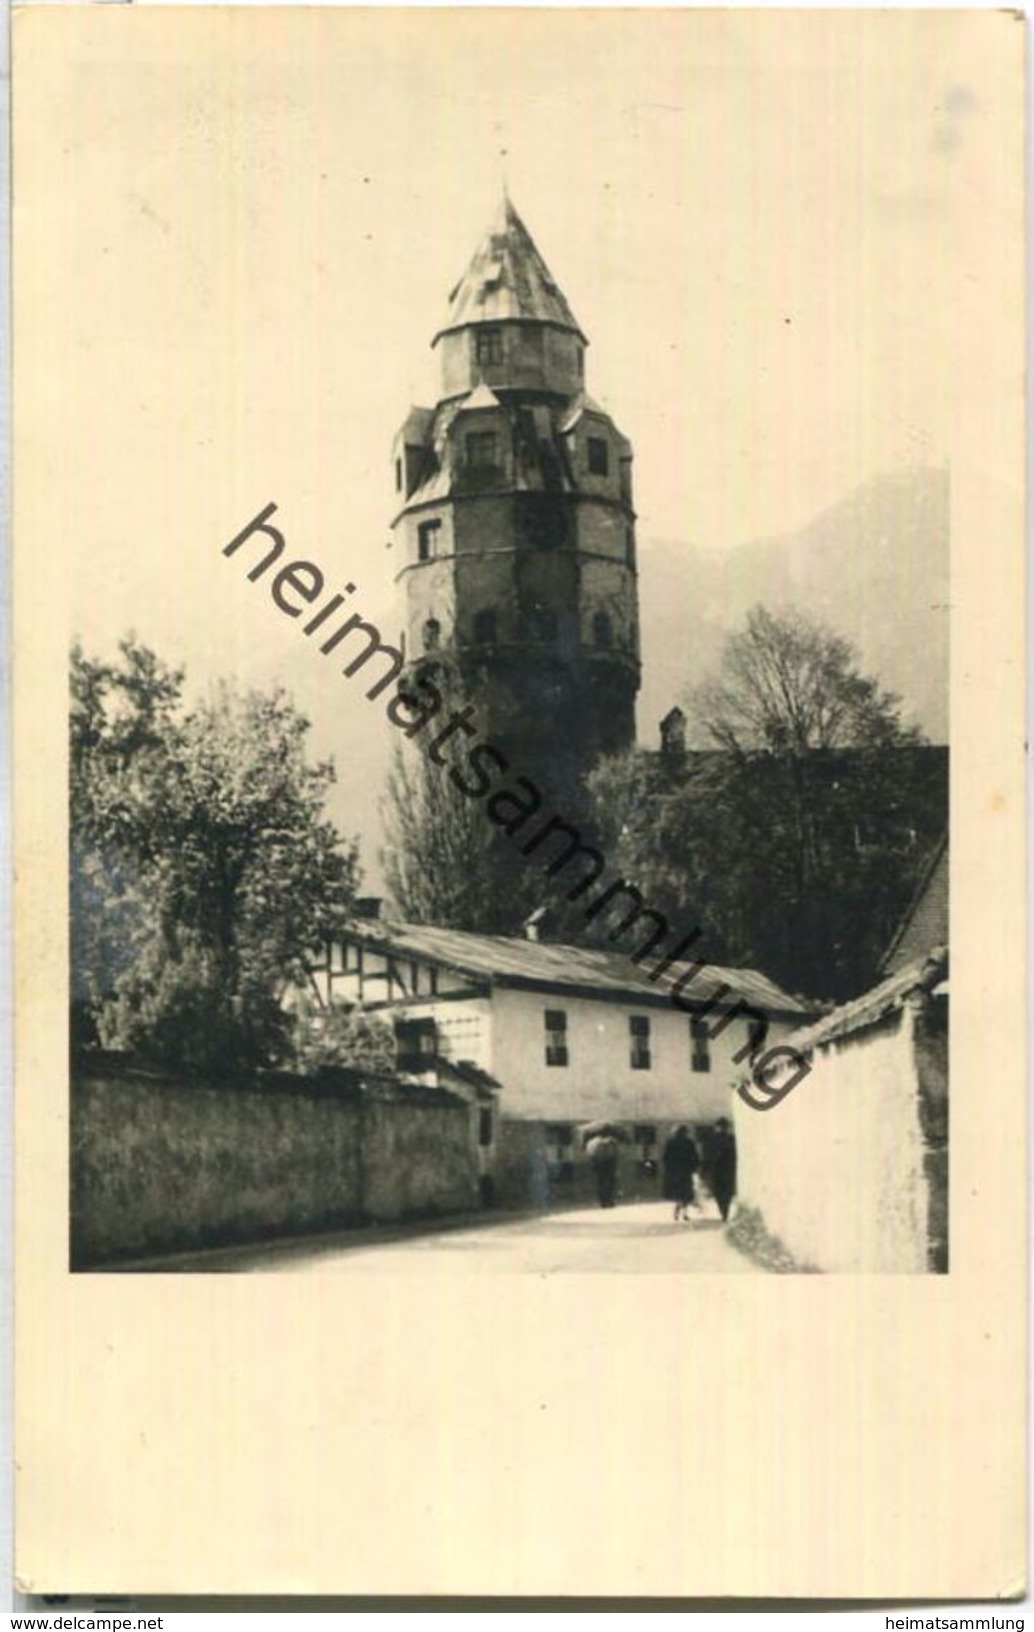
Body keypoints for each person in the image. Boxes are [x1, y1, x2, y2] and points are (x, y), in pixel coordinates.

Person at [661, 1125, 700, 1222]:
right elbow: (694, 1157)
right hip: (686, 1171)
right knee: (685, 1194)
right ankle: (684, 1213)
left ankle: (677, 1211)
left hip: (675, 1172)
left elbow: (666, 1158)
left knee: (678, 1193)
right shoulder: (689, 1143)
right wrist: (694, 1168)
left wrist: (669, 1170)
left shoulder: (670, 1143)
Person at [706, 1116, 737, 1222]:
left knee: (719, 1193)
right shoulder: (731, 1138)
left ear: (717, 1127)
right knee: (727, 1193)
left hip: (717, 1170)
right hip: (728, 1170)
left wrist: (706, 1169)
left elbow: (708, 1155)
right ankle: (725, 1212)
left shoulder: (712, 1139)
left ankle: (723, 1212)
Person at [586, 1133, 620, 1208]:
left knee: (601, 1183)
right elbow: (616, 1156)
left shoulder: (593, 1143)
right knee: (610, 1183)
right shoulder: (612, 1142)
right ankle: (609, 1200)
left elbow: (592, 1156)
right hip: (609, 1165)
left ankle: (603, 1201)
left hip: (600, 1165)